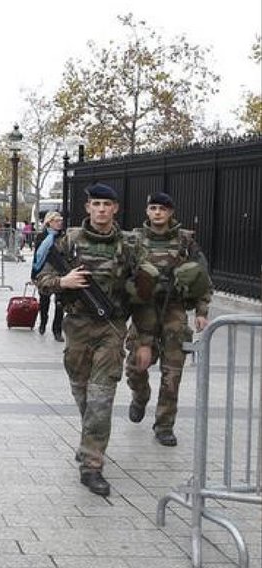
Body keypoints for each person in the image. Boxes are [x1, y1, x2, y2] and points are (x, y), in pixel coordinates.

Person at [35, 183, 156, 497]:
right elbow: (41, 279)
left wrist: (143, 341)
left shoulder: (130, 245)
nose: (102, 209)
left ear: (115, 209)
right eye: (96, 204)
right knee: (83, 393)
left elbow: (144, 298)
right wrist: (64, 281)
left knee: (101, 398)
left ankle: (92, 465)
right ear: (88, 208)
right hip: (77, 328)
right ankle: (91, 439)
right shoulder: (69, 241)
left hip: (111, 329)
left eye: (107, 204)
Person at [124, 192, 212, 447]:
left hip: (174, 314)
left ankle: (164, 425)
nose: (158, 213)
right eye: (153, 208)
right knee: (135, 368)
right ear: (147, 212)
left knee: (172, 375)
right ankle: (140, 397)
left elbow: (202, 279)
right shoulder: (134, 240)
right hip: (144, 313)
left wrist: (202, 312)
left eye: (163, 208)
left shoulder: (186, 242)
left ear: (171, 212)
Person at [31, 211, 66, 342]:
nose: (60, 223)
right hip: (45, 274)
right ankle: (43, 323)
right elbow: (37, 257)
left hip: (60, 274)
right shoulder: (42, 236)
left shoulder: (63, 237)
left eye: (61, 220)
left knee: (60, 303)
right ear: (49, 222)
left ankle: (57, 330)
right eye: (57, 220)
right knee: (44, 301)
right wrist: (34, 275)